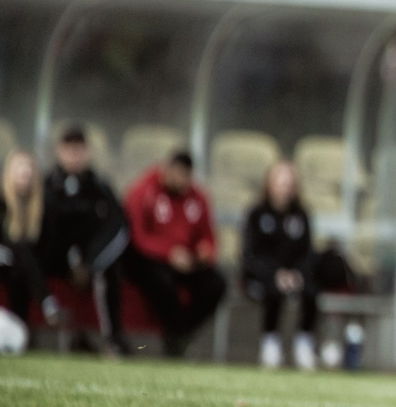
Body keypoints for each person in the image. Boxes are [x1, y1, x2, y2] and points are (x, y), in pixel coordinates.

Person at [121, 151, 226, 357]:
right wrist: (169, 253)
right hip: (149, 260)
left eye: (185, 175)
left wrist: (205, 251)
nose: (180, 180)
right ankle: (175, 336)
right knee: (163, 284)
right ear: (166, 169)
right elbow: (137, 236)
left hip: (187, 261)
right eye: (176, 173)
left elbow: (208, 235)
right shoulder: (144, 191)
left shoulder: (197, 197)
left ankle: (181, 334)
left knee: (216, 285)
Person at [38, 127, 130, 352]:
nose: (74, 156)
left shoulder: (100, 187)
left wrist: (89, 262)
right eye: (69, 150)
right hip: (55, 258)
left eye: (79, 150)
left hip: (92, 260)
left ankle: (113, 340)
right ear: (59, 152)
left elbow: (118, 226)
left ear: (88, 152)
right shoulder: (46, 186)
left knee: (110, 271)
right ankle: (26, 334)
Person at [242, 159, 318, 370]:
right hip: (263, 276)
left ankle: (304, 341)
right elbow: (250, 256)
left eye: (289, 184)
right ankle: (270, 341)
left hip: (293, 276)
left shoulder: (301, 215)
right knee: (273, 290)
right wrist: (275, 274)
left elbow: (307, 253)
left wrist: (298, 274)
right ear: (270, 184)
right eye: (281, 183)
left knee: (311, 290)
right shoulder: (257, 214)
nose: (286, 188)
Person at [2, 149, 46, 326]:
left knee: (21, 266)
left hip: (19, 265)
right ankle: (46, 301)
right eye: (20, 167)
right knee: (19, 252)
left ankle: (20, 326)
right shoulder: (2, 201)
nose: (25, 173)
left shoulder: (41, 205)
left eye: (29, 168)